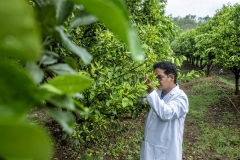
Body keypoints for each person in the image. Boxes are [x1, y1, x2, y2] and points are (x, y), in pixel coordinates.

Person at [140, 61, 189, 160]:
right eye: (154, 78)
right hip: (149, 149)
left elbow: (165, 113)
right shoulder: (158, 93)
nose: (156, 81)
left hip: (166, 153)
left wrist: (151, 91)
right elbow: (143, 101)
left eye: (159, 77)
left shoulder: (181, 98)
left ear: (171, 77)